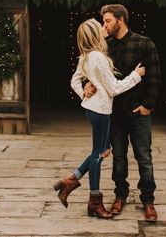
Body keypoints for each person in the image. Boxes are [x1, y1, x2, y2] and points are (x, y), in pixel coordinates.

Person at [53, 18, 145, 219]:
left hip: (93, 109)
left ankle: (70, 181)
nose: (105, 28)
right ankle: (95, 200)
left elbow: (75, 80)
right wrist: (136, 76)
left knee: (102, 151)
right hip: (101, 111)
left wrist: (83, 92)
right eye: (100, 27)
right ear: (95, 34)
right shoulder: (98, 58)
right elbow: (113, 89)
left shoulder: (86, 56)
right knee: (98, 154)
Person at [84, 4, 161, 222]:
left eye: (107, 20)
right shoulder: (104, 46)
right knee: (119, 158)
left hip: (138, 112)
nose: (104, 25)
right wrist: (87, 83)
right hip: (114, 113)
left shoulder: (144, 43)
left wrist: (148, 105)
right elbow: (93, 72)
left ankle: (148, 200)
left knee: (144, 158)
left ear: (121, 19)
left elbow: (154, 77)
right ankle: (120, 196)